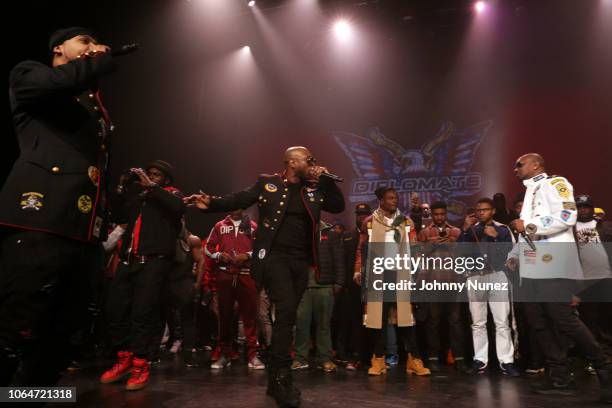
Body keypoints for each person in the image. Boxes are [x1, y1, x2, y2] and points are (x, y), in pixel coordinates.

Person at [0, 27, 117, 386]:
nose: (91, 46)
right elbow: (59, 83)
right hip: (41, 217)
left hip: (83, 230)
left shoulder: (91, 102)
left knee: (68, 331)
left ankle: (36, 396)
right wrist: (97, 59)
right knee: (19, 324)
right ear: (58, 48)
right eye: (83, 40)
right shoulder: (30, 74)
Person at [185, 146, 344, 407]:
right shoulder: (267, 183)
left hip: (300, 261)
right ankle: (281, 378)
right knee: (285, 311)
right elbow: (239, 199)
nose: (313, 162)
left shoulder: (314, 188)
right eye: (309, 159)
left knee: (288, 316)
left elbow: (338, 206)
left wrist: (325, 179)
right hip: (273, 258)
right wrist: (212, 203)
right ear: (292, 162)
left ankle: (275, 377)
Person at [506, 153, 611, 402]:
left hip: (554, 262)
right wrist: (515, 255)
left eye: (519, 164)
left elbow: (567, 217)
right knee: (537, 322)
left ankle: (604, 367)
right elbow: (525, 232)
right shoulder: (530, 190)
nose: (515, 169)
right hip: (532, 267)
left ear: (535, 165)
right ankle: (561, 378)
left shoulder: (556, 183)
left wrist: (529, 226)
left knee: (563, 319)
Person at [100, 161, 184, 391]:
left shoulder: (171, 195)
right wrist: (121, 187)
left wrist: (152, 188)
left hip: (153, 262)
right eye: (149, 174)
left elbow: (178, 208)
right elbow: (119, 216)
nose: (151, 177)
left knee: (142, 314)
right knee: (115, 310)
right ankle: (124, 358)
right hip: (129, 261)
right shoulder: (141, 198)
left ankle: (140, 364)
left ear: (166, 180)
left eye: (156, 175)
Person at [354, 187, 430, 377]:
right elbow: (361, 248)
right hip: (379, 273)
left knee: (406, 319)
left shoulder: (406, 221)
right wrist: (358, 270)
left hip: (401, 273)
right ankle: (378, 360)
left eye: (395, 198)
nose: (394, 201)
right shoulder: (369, 222)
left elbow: (414, 248)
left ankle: (414, 360)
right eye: (390, 198)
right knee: (378, 318)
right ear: (380, 200)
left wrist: (415, 271)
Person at [459, 197, 519, 377]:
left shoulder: (502, 229)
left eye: (485, 210)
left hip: (498, 275)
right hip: (476, 276)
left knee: (502, 321)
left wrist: (495, 238)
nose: (481, 213)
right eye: (478, 210)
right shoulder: (471, 230)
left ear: (492, 211)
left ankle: (506, 361)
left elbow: (512, 252)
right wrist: (463, 231)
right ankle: (480, 360)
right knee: (478, 322)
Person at [205, 209, 264, 370]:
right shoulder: (219, 226)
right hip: (225, 274)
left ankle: (252, 355)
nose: (235, 209)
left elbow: (261, 249)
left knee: (250, 316)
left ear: (243, 208)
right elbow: (208, 248)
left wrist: (247, 255)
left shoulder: (252, 226)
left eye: (239, 206)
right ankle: (225, 354)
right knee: (224, 316)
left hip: (246, 274)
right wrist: (218, 255)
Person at [416, 201, 467, 373]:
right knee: (433, 323)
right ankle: (433, 359)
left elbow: (464, 256)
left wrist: (451, 246)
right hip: (432, 283)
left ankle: (459, 358)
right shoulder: (424, 232)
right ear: (432, 215)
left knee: (455, 322)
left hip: (453, 282)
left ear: (446, 214)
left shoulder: (456, 231)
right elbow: (417, 256)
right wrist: (433, 246)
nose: (439, 217)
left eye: (442, 214)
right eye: (436, 214)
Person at [293, 220, 344, 373]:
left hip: (325, 285)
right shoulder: (298, 231)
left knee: (324, 325)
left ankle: (325, 359)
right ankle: (300, 358)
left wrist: (339, 282)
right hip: (303, 286)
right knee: (301, 324)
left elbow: (339, 258)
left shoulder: (330, 233)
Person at [333, 203, 372, 370]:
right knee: (348, 322)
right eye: (359, 214)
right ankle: (346, 354)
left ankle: (367, 355)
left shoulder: (375, 234)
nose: (361, 217)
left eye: (364, 214)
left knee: (369, 323)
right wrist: (343, 282)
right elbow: (340, 261)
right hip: (351, 286)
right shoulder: (347, 235)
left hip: (371, 285)